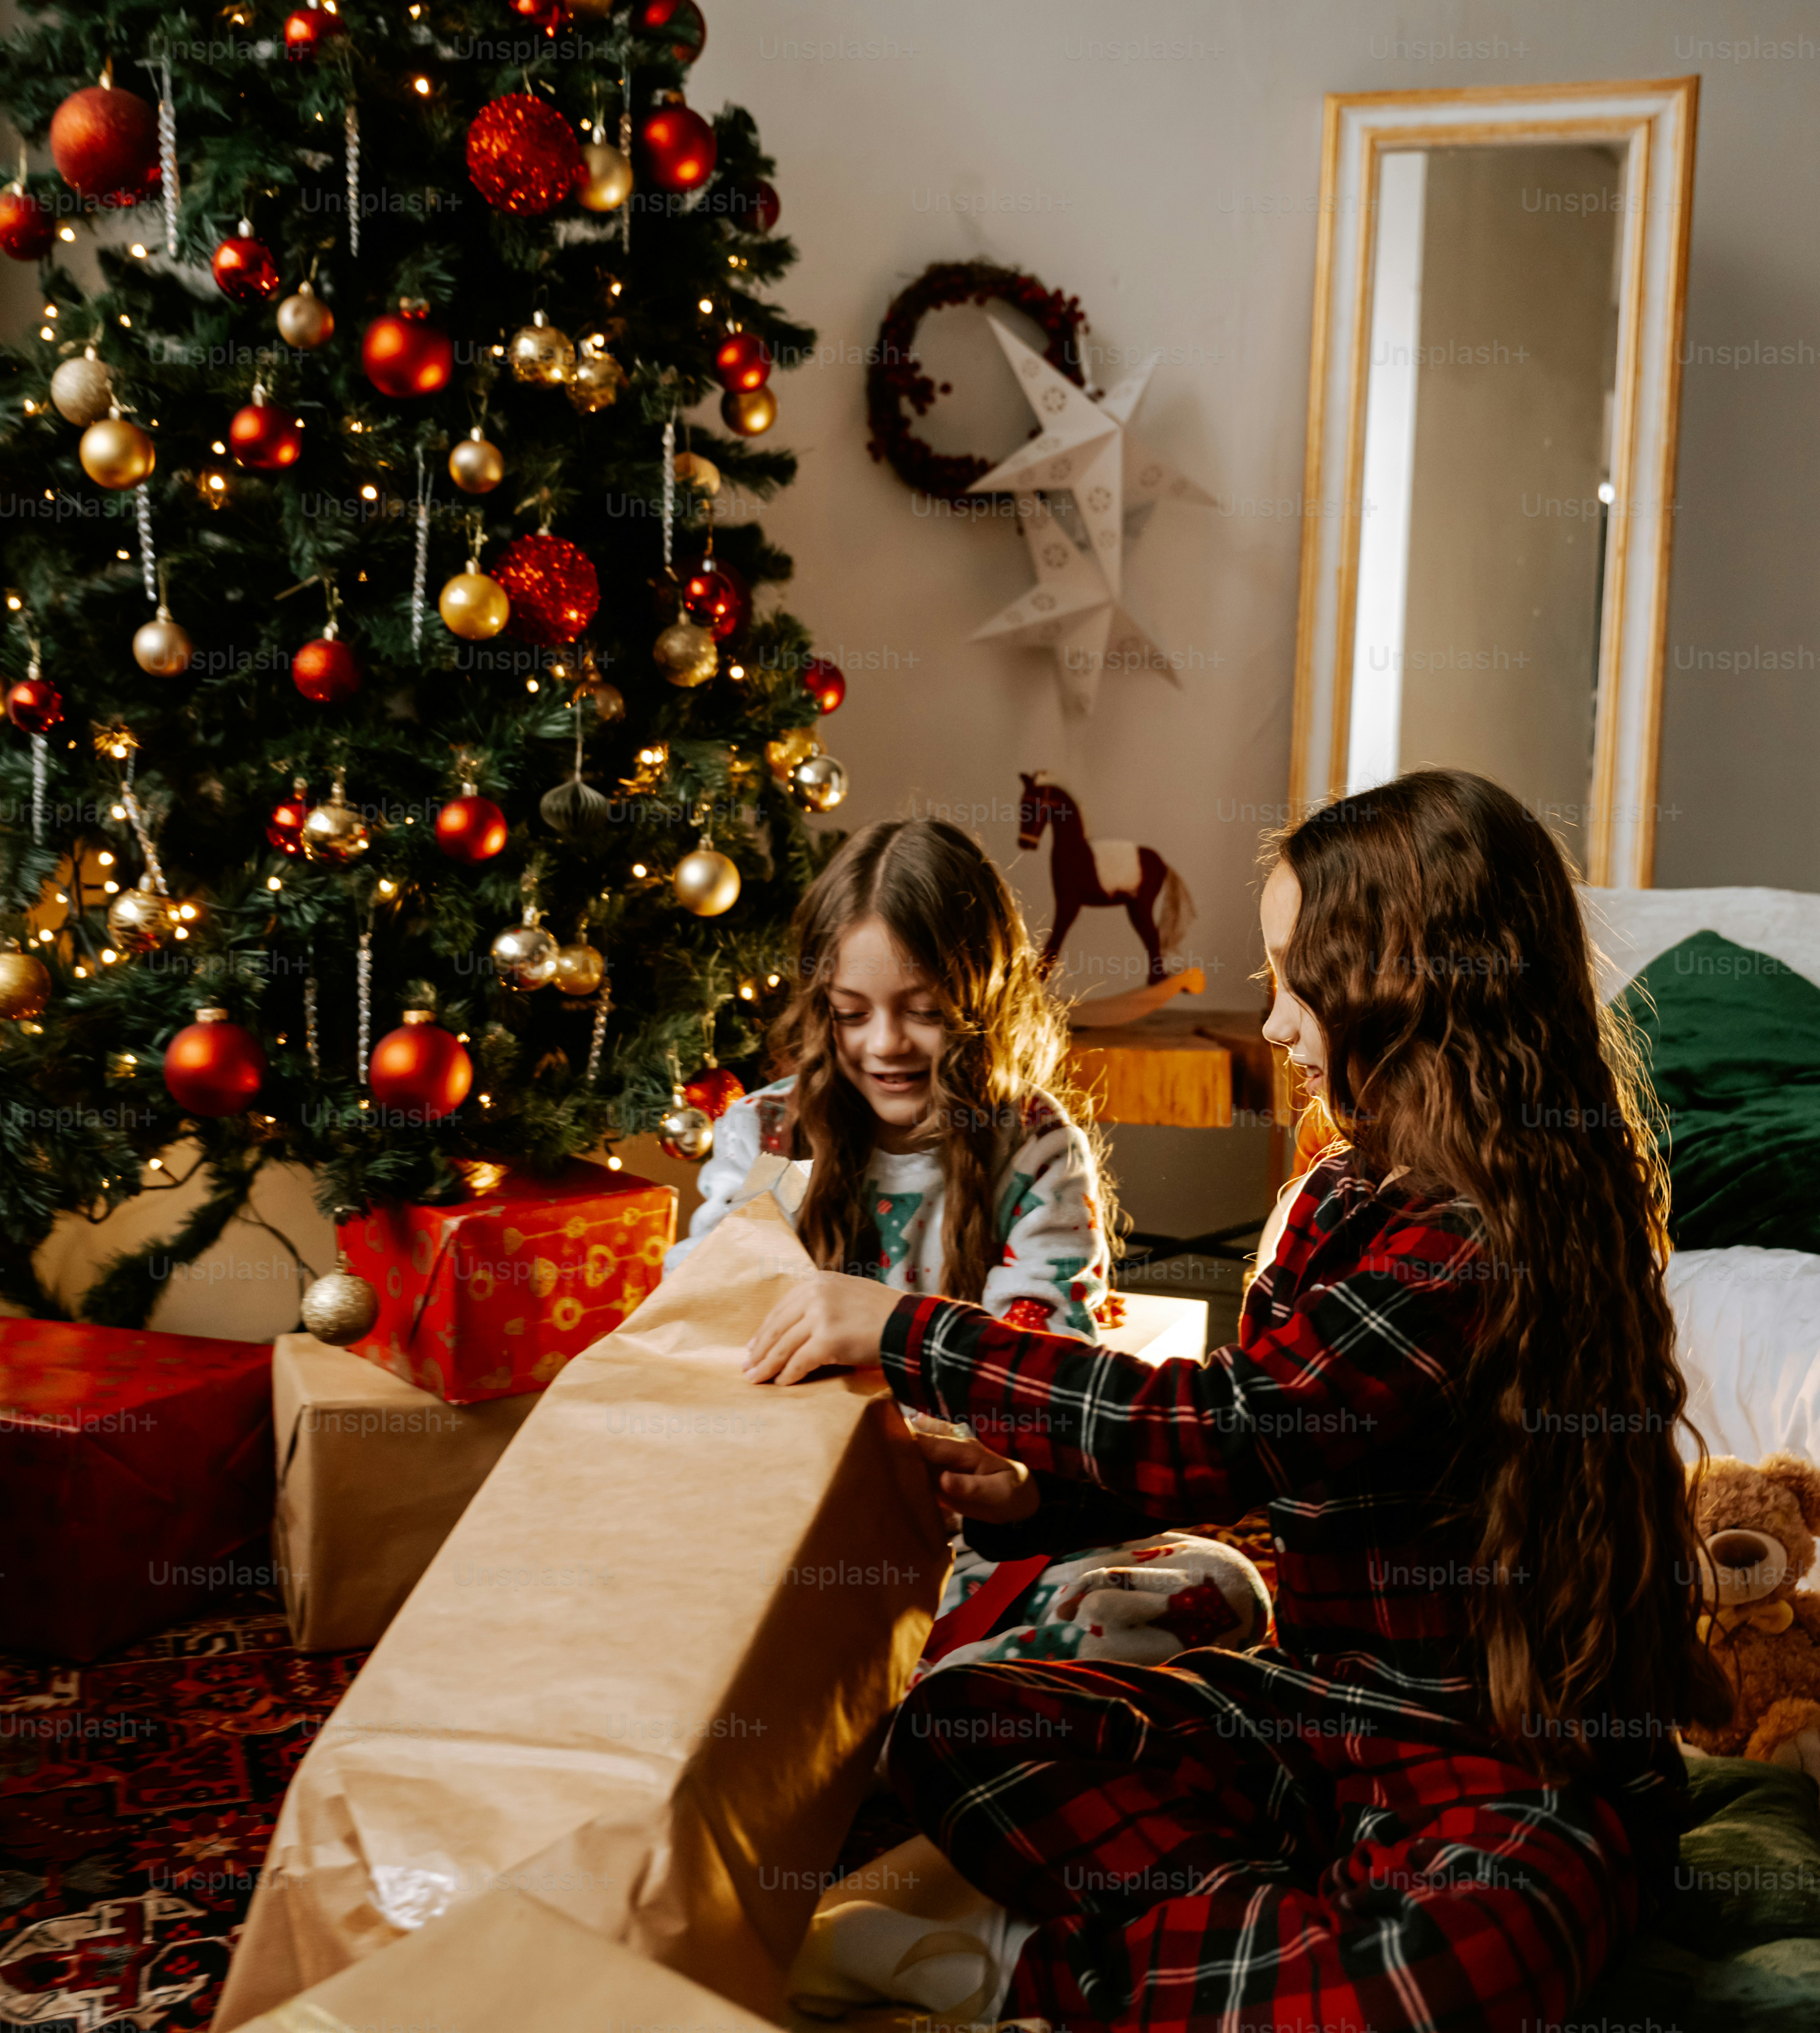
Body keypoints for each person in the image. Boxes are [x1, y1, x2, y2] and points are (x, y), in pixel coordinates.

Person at [745, 768, 1716, 2030]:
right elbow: (1244, 1456)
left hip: (1498, 1770)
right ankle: (1243, 1944)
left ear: (1400, 987)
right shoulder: (1334, 1196)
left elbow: (1233, 1427)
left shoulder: (1478, 1245)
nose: (1272, 1028)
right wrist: (1039, 1495)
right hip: (1321, 1727)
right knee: (959, 1722)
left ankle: (1067, 1974)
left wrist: (906, 1330)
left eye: (1293, 981)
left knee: (1442, 1979)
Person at [670, 814, 1112, 1335]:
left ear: (985, 1001)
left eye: (925, 1011)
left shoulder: (1034, 1149)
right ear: (821, 1008)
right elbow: (705, 1307)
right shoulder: (766, 1137)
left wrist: (890, 1338)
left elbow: (1043, 1366)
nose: (885, 1044)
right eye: (853, 1014)